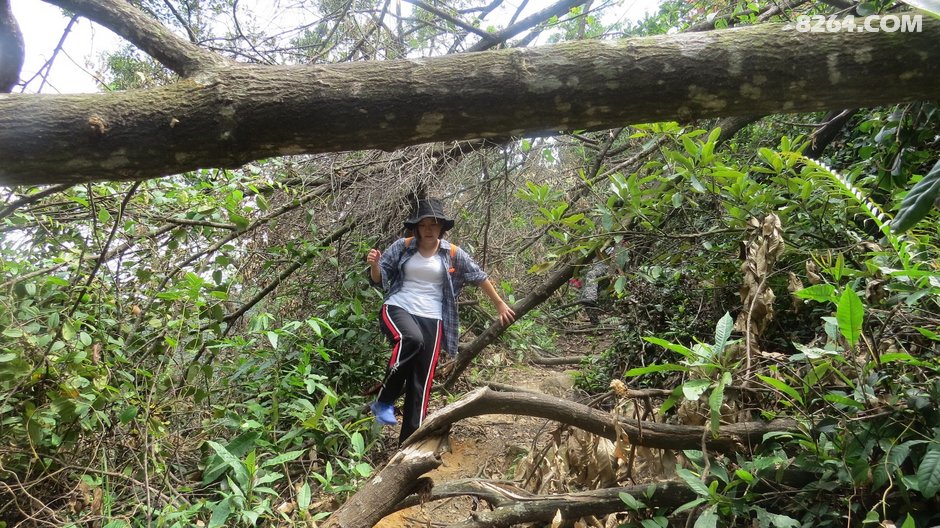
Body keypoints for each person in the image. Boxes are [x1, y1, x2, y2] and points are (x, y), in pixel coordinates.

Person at [366, 198, 516, 444]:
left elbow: (479, 276)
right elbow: (379, 277)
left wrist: (499, 303)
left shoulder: (453, 253)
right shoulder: (402, 246)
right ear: (416, 227)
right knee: (410, 339)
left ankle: (409, 443)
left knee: (421, 381)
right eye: (424, 224)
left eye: (434, 225)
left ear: (441, 228)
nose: (429, 229)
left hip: (434, 317)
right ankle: (384, 400)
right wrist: (374, 265)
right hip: (399, 306)